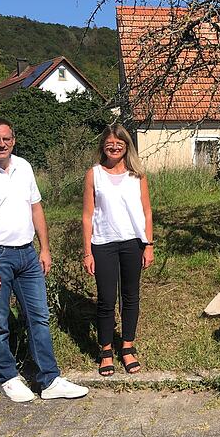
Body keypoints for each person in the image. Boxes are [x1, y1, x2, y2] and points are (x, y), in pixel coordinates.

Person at [0, 118, 89, 402]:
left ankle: (49, 380)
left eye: (6, 138)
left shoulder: (24, 167)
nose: (1, 144)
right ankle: (8, 377)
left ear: (13, 140)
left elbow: (36, 209)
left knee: (39, 317)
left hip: (27, 254)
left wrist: (44, 249)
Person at [82, 124, 154, 376]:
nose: (114, 147)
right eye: (110, 143)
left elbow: (146, 211)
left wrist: (149, 245)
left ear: (126, 146)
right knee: (106, 300)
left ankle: (127, 347)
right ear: (103, 145)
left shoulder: (137, 175)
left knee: (130, 297)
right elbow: (87, 216)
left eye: (119, 143)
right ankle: (105, 351)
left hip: (133, 242)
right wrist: (87, 252)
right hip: (103, 244)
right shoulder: (94, 174)